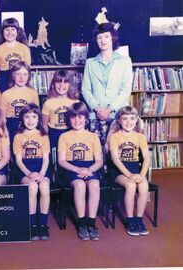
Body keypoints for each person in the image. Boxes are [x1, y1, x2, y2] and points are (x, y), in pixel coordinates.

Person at [58, 102, 103, 241]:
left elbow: (99, 161)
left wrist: (90, 169)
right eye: (73, 117)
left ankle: (91, 222)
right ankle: (82, 222)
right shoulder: (64, 136)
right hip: (72, 168)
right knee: (80, 185)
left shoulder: (93, 136)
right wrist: (77, 169)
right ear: (69, 119)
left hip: (90, 168)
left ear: (86, 118)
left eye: (80, 117)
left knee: (94, 185)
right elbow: (61, 161)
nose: (77, 121)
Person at [81, 22, 132, 146]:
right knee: (97, 153)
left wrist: (109, 109)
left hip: (119, 115)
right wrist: (98, 109)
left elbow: (125, 90)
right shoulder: (90, 63)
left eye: (106, 36)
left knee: (117, 152)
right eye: (99, 37)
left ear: (112, 38)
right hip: (96, 116)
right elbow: (85, 90)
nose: (102, 40)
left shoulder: (125, 61)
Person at [108, 106, 150, 236]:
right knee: (131, 185)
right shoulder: (114, 137)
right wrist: (129, 175)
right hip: (118, 171)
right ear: (119, 121)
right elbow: (115, 160)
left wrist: (142, 175)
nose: (128, 122)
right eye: (125, 119)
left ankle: (139, 219)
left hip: (136, 170)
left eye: (132, 118)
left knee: (144, 186)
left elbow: (147, 158)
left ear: (136, 120)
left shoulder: (140, 136)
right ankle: (130, 220)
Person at [13, 103, 50, 241]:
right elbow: (18, 161)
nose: (30, 120)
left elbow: (46, 159)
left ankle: (43, 225)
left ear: (38, 119)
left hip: (41, 168)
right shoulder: (18, 136)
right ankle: (33, 224)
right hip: (25, 170)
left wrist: (41, 174)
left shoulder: (43, 135)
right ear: (22, 119)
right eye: (27, 117)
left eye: (34, 117)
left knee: (44, 186)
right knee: (33, 187)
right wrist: (29, 174)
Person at [0, 61, 39, 146]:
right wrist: (5, 131)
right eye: (18, 74)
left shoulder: (33, 93)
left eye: (25, 74)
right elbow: (2, 119)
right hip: (12, 124)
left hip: (28, 123)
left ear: (28, 76)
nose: (21, 77)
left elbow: (36, 114)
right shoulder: (6, 94)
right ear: (13, 76)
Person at [42, 70, 80, 151]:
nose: (61, 85)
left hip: (70, 132)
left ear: (70, 85)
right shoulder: (48, 103)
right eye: (58, 82)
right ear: (53, 84)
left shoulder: (75, 102)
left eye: (65, 82)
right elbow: (45, 126)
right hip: (54, 134)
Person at [0, 17, 31, 92]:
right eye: (6, 29)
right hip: (4, 81)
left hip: (20, 80)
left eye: (13, 29)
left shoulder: (24, 48)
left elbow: (27, 70)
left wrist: (19, 81)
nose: (9, 32)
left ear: (17, 32)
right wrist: (4, 82)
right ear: (2, 32)